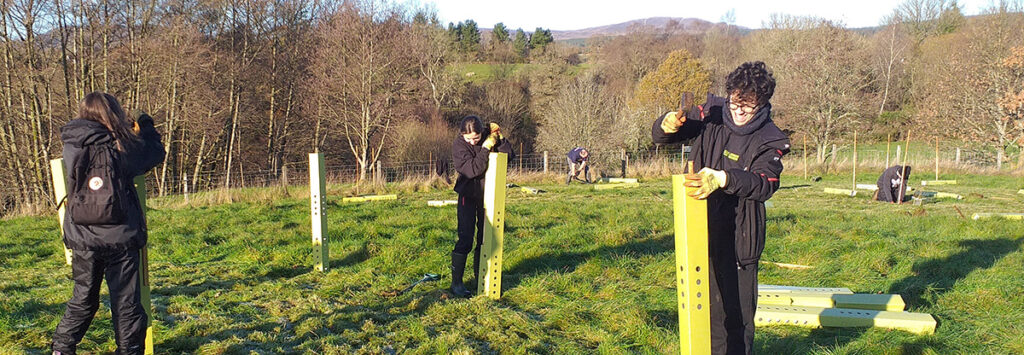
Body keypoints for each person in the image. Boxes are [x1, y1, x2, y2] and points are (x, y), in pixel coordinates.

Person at [651, 61, 790, 355]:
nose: (739, 112)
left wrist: (723, 178)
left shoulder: (770, 138)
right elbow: (665, 135)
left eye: (748, 107)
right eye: (735, 103)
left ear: (762, 104)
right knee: (707, 315)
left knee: (737, 321)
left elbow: (765, 183)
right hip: (700, 230)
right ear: (729, 95)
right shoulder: (711, 114)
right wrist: (665, 124)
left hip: (741, 239)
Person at [52, 92, 165, 355]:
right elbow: (154, 153)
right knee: (126, 303)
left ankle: (61, 349)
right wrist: (144, 124)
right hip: (120, 237)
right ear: (112, 112)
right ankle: (129, 351)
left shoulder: (72, 143)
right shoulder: (122, 144)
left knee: (83, 298)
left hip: (82, 236)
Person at [450, 116, 514, 297]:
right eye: (468, 138)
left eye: (476, 138)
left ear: (481, 133)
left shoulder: (489, 137)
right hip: (468, 196)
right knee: (466, 238)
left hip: (489, 194)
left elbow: (508, 156)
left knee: (485, 238)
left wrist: (499, 138)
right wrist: (485, 148)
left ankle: (482, 279)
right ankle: (457, 283)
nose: (472, 141)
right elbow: (472, 170)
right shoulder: (459, 145)